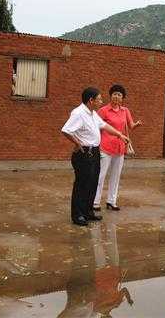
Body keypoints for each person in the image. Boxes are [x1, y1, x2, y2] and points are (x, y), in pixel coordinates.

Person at [61, 87, 128, 226]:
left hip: (95, 152)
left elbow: (104, 125)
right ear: (91, 100)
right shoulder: (79, 113)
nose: (101, 101)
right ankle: (78, 215)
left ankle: (88, 212)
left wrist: (119, 134)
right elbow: (66, 130)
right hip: (84, 153)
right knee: (82, 184)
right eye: (99, 99)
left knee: (92, 183)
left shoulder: (93, 113)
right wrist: (77, 142)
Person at [95, 85, 143, 211]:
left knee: (115, 176)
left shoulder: (125, 111)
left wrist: (137, 124)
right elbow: (96, 127)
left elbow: (130, 125)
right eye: (115, 94)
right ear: (110, 95)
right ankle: (95, 202)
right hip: (105, 147)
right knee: (101, 175)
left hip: (120, 148)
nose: (117, 96)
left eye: (119, 95)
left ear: (122, 98)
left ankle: (111, 201)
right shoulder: (103, 110)